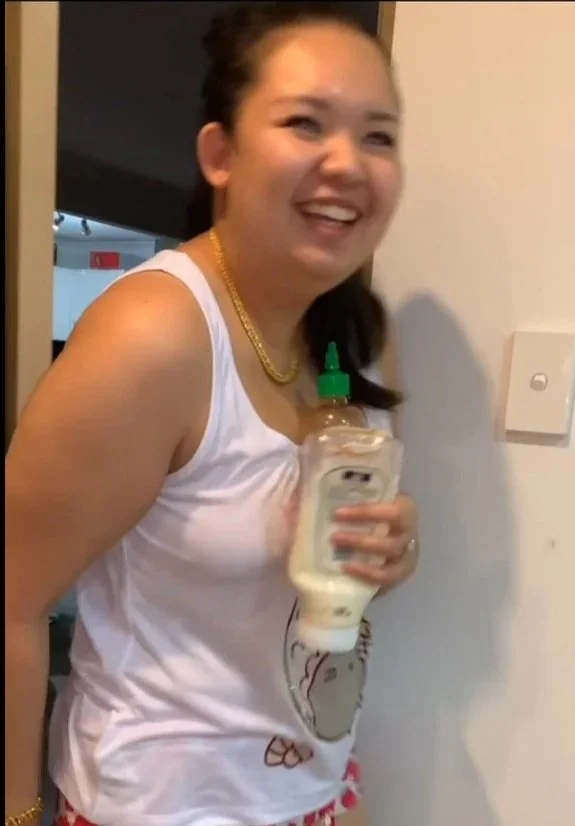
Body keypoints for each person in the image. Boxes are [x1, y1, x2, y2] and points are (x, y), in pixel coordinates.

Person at [5, 4, 419, 825]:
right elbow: (11, 601)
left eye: (377, 136)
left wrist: (393, 551)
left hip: (311, 792)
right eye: (305, 123)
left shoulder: (363, 341)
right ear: (220, 154)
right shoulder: (155, 338)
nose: (347, 163)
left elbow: (311, 595)